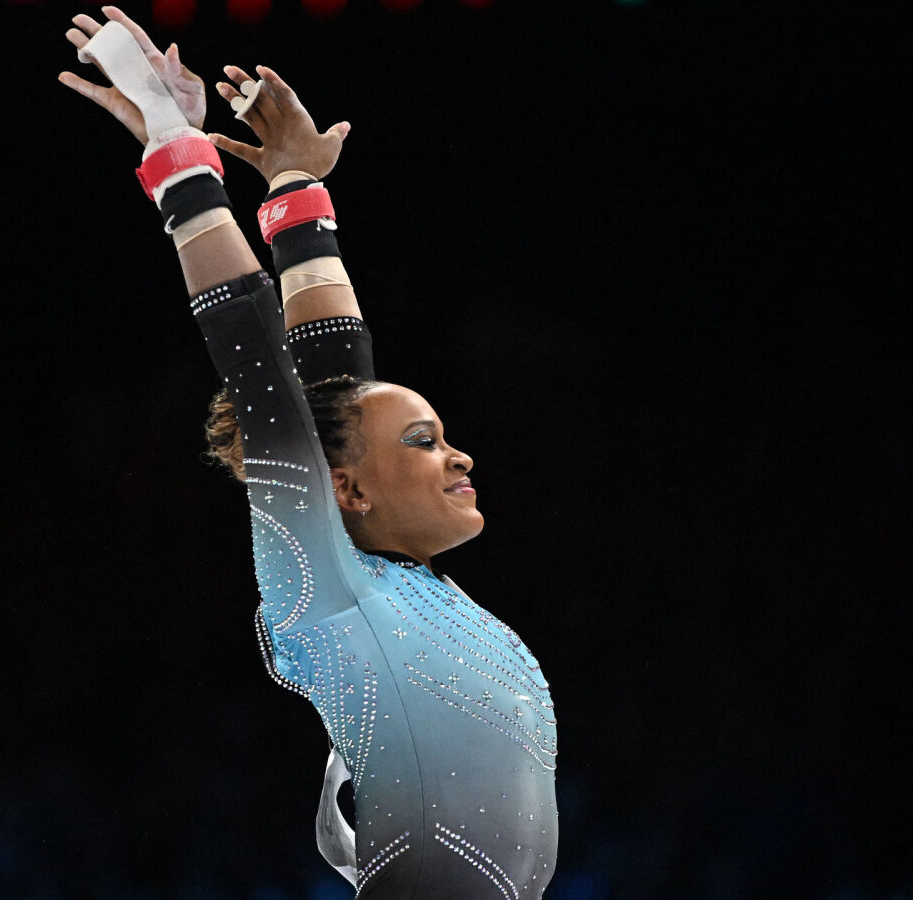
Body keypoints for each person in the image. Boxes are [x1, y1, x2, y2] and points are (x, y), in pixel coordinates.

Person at [59, 8, 558, 898]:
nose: (461, 456)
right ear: (344, 489)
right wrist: (173, 143)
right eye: (427, 442)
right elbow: (259, 359)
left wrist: (295, 188)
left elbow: (336, 391)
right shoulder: (323, 584)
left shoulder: (387, 581)